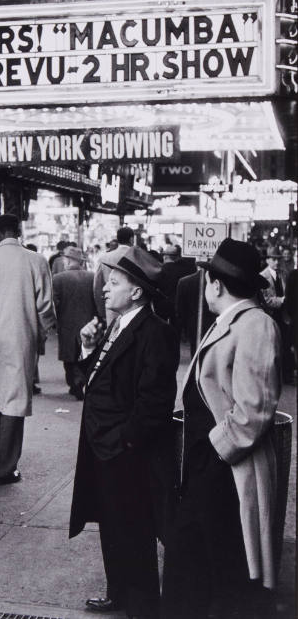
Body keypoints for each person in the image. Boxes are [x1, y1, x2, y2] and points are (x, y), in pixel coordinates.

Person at [161, 239, 282, 619]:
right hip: (210, 465)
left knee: (211, 562)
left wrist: (215, 451)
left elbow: (254, 409)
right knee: (195, 562)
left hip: (226, 467)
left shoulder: (255, 325)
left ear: (216, 284)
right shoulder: (233, 321)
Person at [70, 247, 179, 619]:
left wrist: (124, 441)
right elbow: (95, 380)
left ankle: (143, 606)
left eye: (113, 283)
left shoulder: (154, 333)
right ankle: (118, 593)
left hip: (126, 453)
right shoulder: (117, 325)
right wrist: (86, 346)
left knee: (134, 532)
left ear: (135, 292)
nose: (104, 289)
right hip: (103, 448)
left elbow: (155, 402)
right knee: (112, 528)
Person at [0, 214, 55, 486]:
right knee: (15, 400)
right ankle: (5, 468)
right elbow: (45, 307)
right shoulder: (36, 260)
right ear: (19, 232)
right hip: (21, 337)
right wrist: (44, 332)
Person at [53, 246, 96, 400]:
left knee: (69, 357)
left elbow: (54, 303)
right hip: (88, 323)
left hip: (66, 324)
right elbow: (97, 300)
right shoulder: (92, 277)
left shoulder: (58, 279)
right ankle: (80, 382)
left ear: (68, 260)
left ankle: (74, 383)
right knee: (85, 355)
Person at [261, 246, 294, 384]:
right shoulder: (263, 277)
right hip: (271, 316)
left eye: (278, 259)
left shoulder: (283, 273)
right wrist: (283, 300)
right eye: (273, 259)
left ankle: (286, 376)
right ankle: (271, 377)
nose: (276, 262)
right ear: (268, 260)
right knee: (271, 347)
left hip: (284, 316)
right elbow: (267, 300)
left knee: (285, 345)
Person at [93, 226, 134, 324]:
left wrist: (101, 311)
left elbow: (97, 287)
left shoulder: (105, 258)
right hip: (134, 308)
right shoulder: (137, 257)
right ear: (132, 239)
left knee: (113, 336)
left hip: (112, 308)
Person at [175, 267, 216, 357]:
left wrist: (183, 330)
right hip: (214, 324)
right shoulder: (217, 282)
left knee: (195, 352)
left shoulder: (184, 282)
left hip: (192, 325)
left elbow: (180, 310)